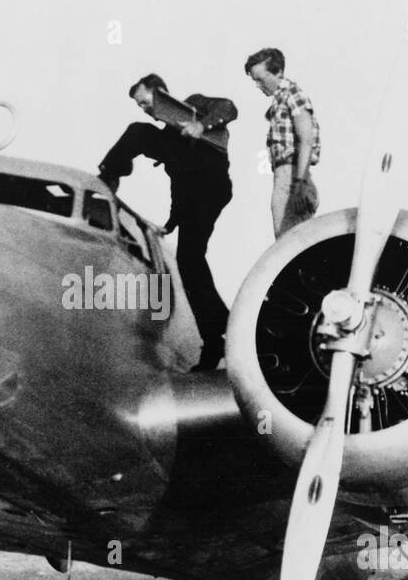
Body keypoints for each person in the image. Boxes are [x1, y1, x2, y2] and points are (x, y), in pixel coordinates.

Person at [98, 73, 236, 372]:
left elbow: (229, 107)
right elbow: (179, 186)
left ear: (159, 93)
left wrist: (202, 125)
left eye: (146, 102)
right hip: (192, 194)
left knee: (189, 258)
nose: (145, 109)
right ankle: (216, 334)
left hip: (211, 187)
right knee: (190, 261)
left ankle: (219, 333)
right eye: (140, 105)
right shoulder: (172, 140)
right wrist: (172, 221)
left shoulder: (196, 105)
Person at [244, 47, 321, 237]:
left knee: (291, 248)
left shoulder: (292, 94)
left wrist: (300, 183)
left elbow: (306, 139)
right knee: (288, 245)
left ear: (277, 72)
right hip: (285, 176)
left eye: (260, 79)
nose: (258, 85)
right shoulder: (279, 100)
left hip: (292, 176)